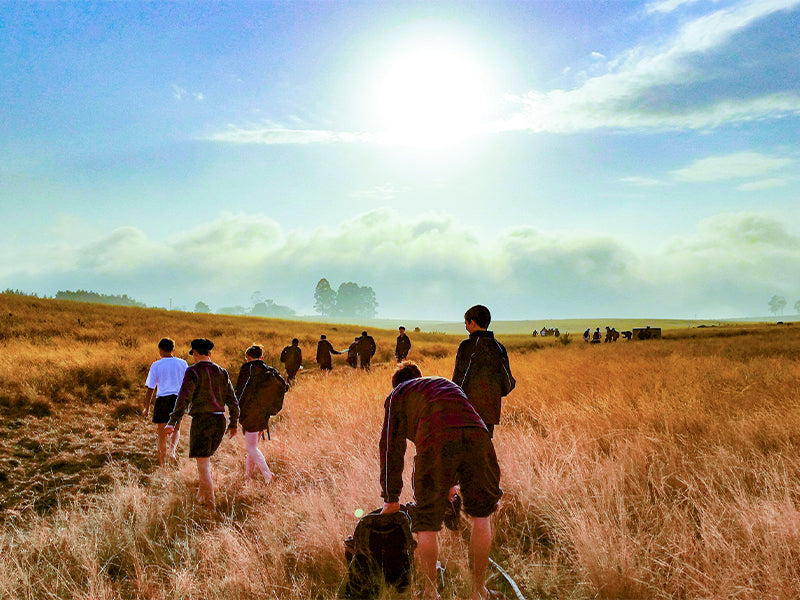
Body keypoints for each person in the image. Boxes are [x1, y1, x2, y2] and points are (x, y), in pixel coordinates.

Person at [380, 362, 502, 600]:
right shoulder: (446, 385)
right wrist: (450, 484)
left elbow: (390, 448)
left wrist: (391, 498)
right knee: (481, 516)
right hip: (479, 437)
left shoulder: (398, 394)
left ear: (398, 384)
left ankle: (429, 592)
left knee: (426, 521)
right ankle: (478, 591)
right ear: (419, 377)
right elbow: (458, 429)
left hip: (437, 439)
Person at [165, 338, 239, 508]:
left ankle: (211, 508)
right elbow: (233, 401)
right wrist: (233, 423)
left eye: (194, 354)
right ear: (210, 353)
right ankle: (201, 498)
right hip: (220, 421)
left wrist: (173, 421)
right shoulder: (222, 371)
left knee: (203, 466)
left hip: (202, 421)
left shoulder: (193, 371)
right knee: (205, 461)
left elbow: (184, 397)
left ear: (196, 353)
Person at [452, 305, 514, 438]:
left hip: (466, 413)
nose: (466, 327)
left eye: (466, 323)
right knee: (483, 454)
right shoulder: (499, 347)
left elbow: (459, 381)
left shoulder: (467, 346)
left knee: (466, 454)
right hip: (489, 416)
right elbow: (508, 383)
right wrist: (492, 393)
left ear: (472, 323)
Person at [235, 344, 285, 483]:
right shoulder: (270, 371)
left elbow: (238, 391)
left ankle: (267, 474)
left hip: (249, 413)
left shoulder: (247, 368)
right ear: (261, 357)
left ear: (248, 357)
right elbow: (283, 387)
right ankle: (248, 478)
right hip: (264, 414)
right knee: (253, 447)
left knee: (250, 447)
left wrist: (236, 411)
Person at [142, 337, 188, 467]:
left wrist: (147, 407)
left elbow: (150, 388)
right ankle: (172, 451)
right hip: (178, 400)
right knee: (176, 428)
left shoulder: (156, 365)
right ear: (173, 349)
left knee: (162, 435)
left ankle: (163, 465)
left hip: (162, 400)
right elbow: (188, 384)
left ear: (160, 350)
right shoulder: (183, 363)